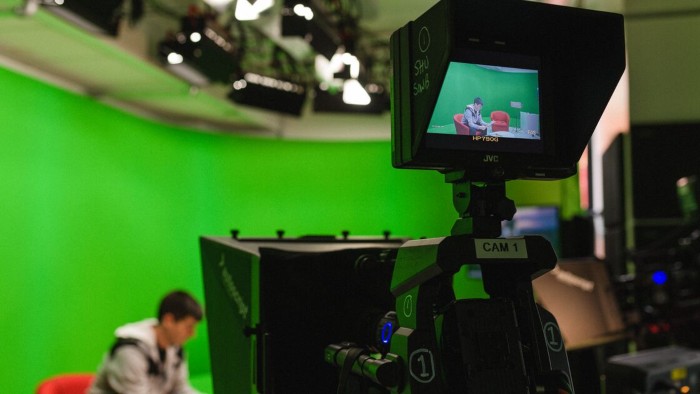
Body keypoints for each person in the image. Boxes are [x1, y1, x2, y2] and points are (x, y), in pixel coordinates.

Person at [89, 290, 204, 394]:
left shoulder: (175, 349)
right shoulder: (129, 352)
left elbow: (180, 389)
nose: (192, 334)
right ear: (168, 320)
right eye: (188, 327)